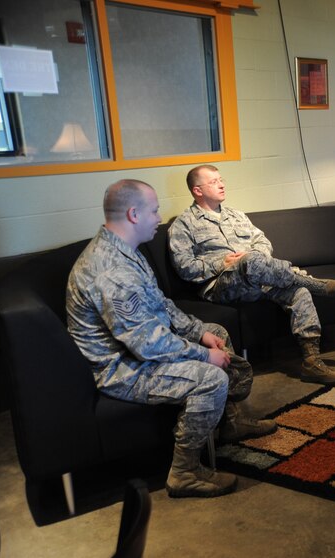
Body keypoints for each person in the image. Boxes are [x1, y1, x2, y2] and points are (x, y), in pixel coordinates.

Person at [67, 179, 276, 499]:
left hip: (138, 349)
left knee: (216, 333)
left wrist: (199, 333)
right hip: (121, 368)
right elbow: (147, 344)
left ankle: (230, 422)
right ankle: (185, 472)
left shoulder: (124, 251)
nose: (159, 218)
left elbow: (161, 304)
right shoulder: (110, 270)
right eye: (154, 211)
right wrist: (204, 356)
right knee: (210, 379)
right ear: (134, 214)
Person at [168, 165, 335, 385]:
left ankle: (312, 361)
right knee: (251, 261)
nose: (222, 184)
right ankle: (311, 282)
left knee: (297, 292)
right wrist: (221, 262)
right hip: (221, 287)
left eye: (221, 179)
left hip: (257, 278)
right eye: (214, 182)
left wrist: (255, 258)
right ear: (198, 191)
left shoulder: (236, 215)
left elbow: (263, 242)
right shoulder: (183, 224)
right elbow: (185, 267)